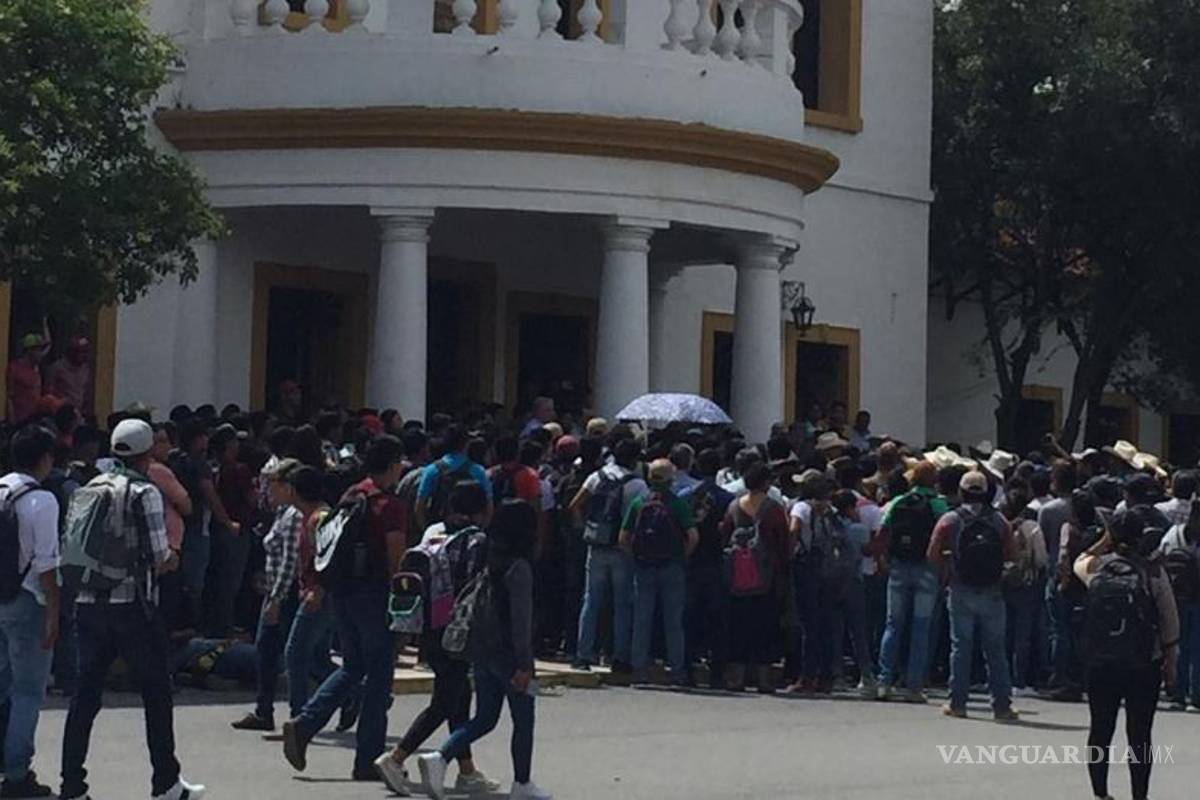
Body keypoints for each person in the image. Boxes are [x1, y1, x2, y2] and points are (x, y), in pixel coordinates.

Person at [60, 419, 205, 800]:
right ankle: (166, 783)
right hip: (134, 606)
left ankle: (72, 785)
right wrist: (172, 557)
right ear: (146, 453)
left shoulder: (88, 488)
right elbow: (159, 556)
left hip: (89, 604)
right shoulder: (145, 492)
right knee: (157, 694)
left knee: (84, 697)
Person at [283, 435, 408, 783]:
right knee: (379, 675)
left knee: (352, 665)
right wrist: (402, 604)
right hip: (374, 594)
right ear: (395, 464)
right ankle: (367, 758)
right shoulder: (389, 505)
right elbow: (395, 555)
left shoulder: (352, 495)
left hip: (342, 591)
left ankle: (305, 723)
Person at [417, 500, 553, 800]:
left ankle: (440, 756)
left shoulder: (492, 559)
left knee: (485, 717)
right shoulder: (520, 568)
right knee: (523, 719)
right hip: (509, 652)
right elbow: (521, 620)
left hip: (483, 648)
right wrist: (525, 663)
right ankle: (522, 782)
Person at [376, 482, 500, 797]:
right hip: (457, 628)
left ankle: (467, 771)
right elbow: (478, 585)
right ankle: (397, 757)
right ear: (480, 509)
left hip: (428, 624)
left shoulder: (433, 531)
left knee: (459, 695)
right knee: (445, 701)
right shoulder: (477, 540)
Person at [1076, 507, 1180, 800]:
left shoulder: (1097, 569)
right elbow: (1169, 622)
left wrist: (1103, 541)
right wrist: (1170, 665)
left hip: (1100, 662)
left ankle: (1101, 793)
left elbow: (1078, 560)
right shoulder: (1152, 572)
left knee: (1100, 729)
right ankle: (1139, 795)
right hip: (1143, 663)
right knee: (1140, 735)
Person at [929, 470, 1019, 721]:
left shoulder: (950, 519)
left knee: (961, 647)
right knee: (995, 650)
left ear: (961, 491)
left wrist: (950, 559)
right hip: (992, 591)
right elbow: (1012, 555)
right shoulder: (1000, 521)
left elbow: (932, 554)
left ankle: (958, 703)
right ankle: (1002, 706)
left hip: (960, 589)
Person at [0, 426, 60, 798]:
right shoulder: (42, 501)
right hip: (27, 601)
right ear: (43, 459)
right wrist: (54, 611)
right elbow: (46, 564)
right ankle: (18, 772)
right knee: (27, 690)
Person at [231, 458, 303, 732]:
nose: (267, 490)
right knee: (266, 651)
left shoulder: (295, 515)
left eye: (272, 484)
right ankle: (264, 710)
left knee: (297, 654)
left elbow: (289, 559)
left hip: (285, 593)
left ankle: (302, 715)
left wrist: (276, 597)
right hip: (273, 589)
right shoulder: (282, 512)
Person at [871, 461, 949, 703]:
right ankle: (914, 686)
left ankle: (884, 681)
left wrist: (881, 559)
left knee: (893, 624)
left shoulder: (897, 502)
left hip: (899, 566)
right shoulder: (939, 504)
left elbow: (882, 532)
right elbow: (946, 536)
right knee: (921, 627)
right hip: (927, 568)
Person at [569, 438, 646, 673]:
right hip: (622, 548)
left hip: (596, 544)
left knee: (591, 600)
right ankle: (619, 656)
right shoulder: (638, 485)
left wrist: (586, 530)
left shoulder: (597, 476)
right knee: (622, 604)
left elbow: (575, 505)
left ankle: (583, 654)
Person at [621, 459, 699, 686]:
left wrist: (636, 557)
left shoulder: (639, 502)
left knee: (642, 620)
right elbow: (693, 537)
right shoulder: (677, 504)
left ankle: (640, 671)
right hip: (671, 567)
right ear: (671, 479)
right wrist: (681, 557)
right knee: (673, 622)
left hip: (644, 566)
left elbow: (623, 538)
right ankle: (677, 671)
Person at [718, 463, 787, 693]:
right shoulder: (773, 509)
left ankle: (736, 677)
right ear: (765, 483)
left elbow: (724, 536)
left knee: (738, 626)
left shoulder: (734, 507)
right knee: (764, 627)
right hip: (766, 577)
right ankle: (763, 678)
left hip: (738, 576)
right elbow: (782, 544)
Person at [680, 448, 735, 689]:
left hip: (690, 560)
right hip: (716, 561)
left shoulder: (685, 495)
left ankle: (687, 669)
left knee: (689, 618)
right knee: (719, 621)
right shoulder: (726, 498)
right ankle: (716, 673)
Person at [1000, 478, 1048, 695]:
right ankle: (1020, 679)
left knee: (1004, 632)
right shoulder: (1032, 527)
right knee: (1023, 633)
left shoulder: (1000, 525)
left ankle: (1001, 675)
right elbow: (1041, 560)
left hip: (1003, 581)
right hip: (1027, 583)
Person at [1159, 500, 1200, 711]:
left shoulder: (1173, 533)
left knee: (1177, 645)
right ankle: (1195, 696)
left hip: (1177, 597)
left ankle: (1177, 694)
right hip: (1196, 598)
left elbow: (1160, 557)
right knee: (1195, 648)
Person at [416, 426, 491, 531]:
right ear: (466, 444)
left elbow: (420, 506)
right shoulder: (478, 471)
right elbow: (488, 506)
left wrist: (427, 531)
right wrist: (480, 530)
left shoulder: (432, 470)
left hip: (440, 528)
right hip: (469, 530)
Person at [6, 334, 50, 424]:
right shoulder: (14, 368)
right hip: (20, 419)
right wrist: (12, 421)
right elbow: (9, 397)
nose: (41, 354)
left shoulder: (36, 369)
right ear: (30, 350)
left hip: (36, 418)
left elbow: (49, 345)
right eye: (39, 350)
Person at [44, 337, 92, 414]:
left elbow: (86, 392)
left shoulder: (85, 369)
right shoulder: (56, 368)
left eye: (86, 352)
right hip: (60, 414)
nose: (84, 355)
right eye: (81, 351)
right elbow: (48, 394)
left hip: (78, 414)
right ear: (72, 351)